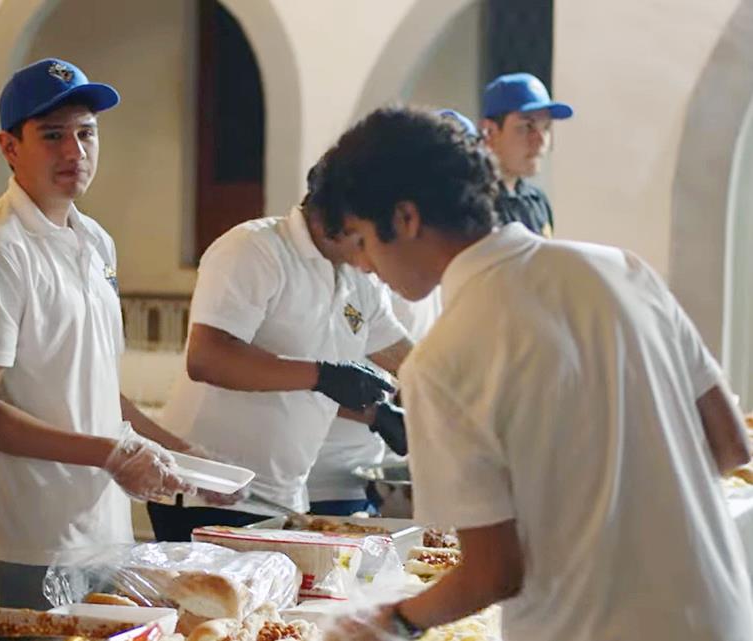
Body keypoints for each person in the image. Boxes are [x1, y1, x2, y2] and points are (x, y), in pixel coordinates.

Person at [320, 106, 753, 641]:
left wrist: (393, 619)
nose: (363, 265)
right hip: (718, 614)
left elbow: (493, 573)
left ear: (406, 219)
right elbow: (731, 445)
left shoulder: (443, 360)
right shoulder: (620, 269)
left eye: (362, 239)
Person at [0, 58, 202, 609]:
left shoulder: (95, 240)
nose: (74, 152)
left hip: (104, 529)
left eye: (87, 133)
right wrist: (112, 453)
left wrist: (179, 452)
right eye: (53, 135)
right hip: (28, 536)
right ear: (9, 147)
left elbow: (88, 381)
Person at [147, 159, 413, 539]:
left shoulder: (357, 276)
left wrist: (455, 403)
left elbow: (407, 358)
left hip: (282, 493)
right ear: (341, 219)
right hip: (208, 490)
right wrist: (323, 375)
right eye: (377, 233)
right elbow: (208, 358)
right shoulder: (255, 249)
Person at [305, 109, 474, 515]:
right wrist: (379, 414)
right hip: (323, 466)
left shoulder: (447, 277)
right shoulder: (373, 269)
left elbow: (408, 358)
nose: (363, 263)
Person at [479, 72, 572, 237]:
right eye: (527, 127)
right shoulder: (474, 204)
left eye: (546, 127)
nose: (541, 140)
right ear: (490, 132)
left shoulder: (536, 201)